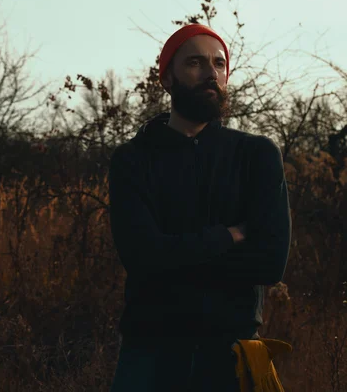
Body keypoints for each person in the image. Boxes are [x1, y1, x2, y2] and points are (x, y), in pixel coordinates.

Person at [108, 23, 292, 391]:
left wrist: (170, 256)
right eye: (195, 62)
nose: (211, 73)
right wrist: (230, 235)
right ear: (168, 78)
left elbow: (270, 263)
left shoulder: (256, 154)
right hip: (150, 355)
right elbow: (141, 257)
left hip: (234, 354)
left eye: (219, 63)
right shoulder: (132, 159)